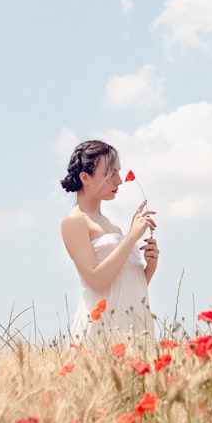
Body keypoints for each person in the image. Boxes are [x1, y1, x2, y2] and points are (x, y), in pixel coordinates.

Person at [60, 140, 158, 344]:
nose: (119, 180)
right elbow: (96, 281)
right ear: (85, 178)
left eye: (118, 172)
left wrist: (149, 268)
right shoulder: (75, 220)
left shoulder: (112, 226)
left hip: (132, 325)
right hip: (101, 330)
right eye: (110, 172)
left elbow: (124, 285)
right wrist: (131, 238)